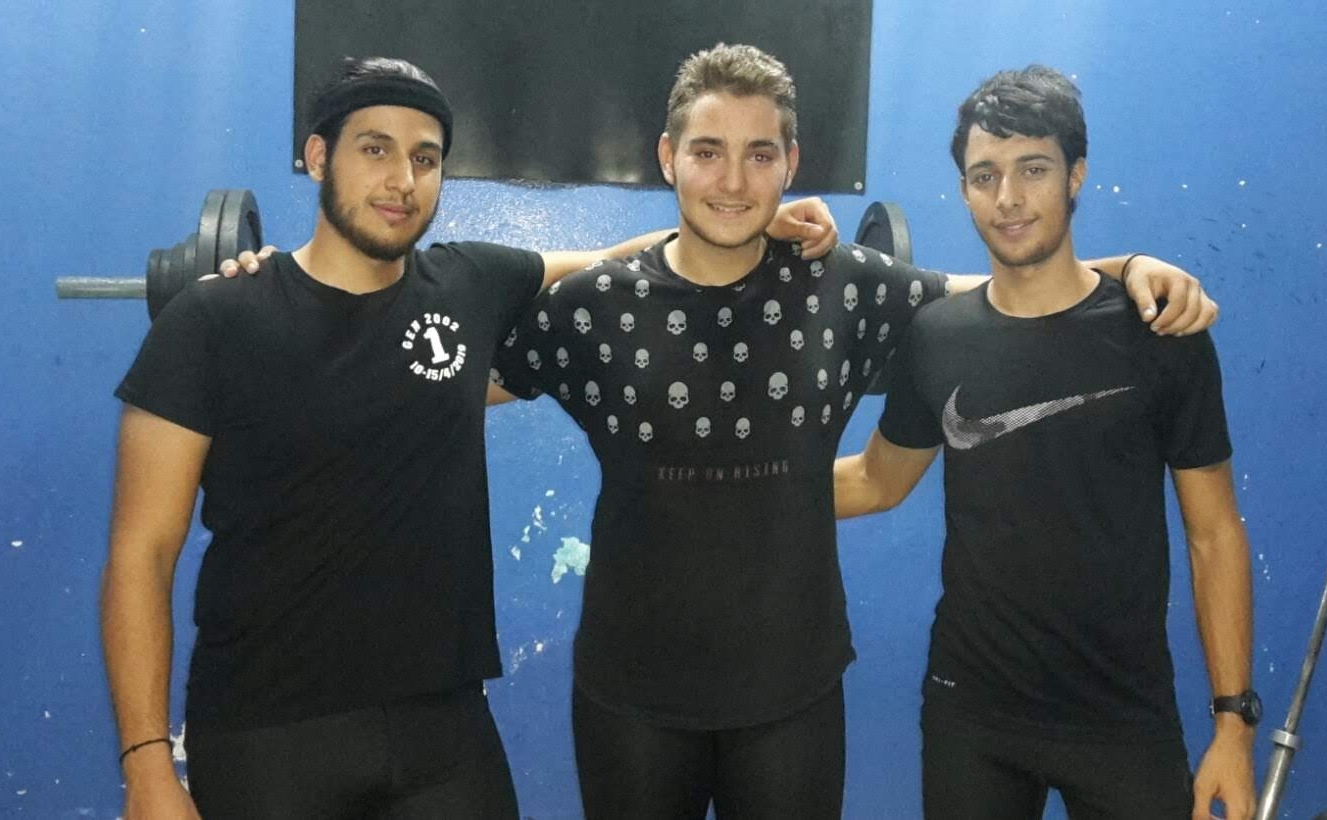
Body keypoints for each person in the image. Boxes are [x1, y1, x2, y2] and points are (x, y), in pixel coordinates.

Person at [490, 44, 1219, 819]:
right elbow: (450, 386)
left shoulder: (841, 284)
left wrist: (1129, 268)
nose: (733, 181)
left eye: (758, 154)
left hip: (794, 697)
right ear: (668, 158)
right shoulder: (595, 303)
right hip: (630, 699)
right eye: (707, 152)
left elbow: (1014, 291)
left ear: (791, 163)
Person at [98, 55, 837, 820]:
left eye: (425, 159)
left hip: (443, 732)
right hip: (265, 735)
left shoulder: (467, 286)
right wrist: (147, 764)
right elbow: (140, 554)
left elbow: (624, 267)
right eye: (374, 149)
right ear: (319, 157)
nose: (401, 180)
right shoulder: (214, 322)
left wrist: (750, 222)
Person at [834, 65, 1256, 820]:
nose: (1008, 197)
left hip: (1124, 720)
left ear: (1075, 175)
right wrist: (734, 488)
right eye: (984, 175)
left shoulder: (1160, 332)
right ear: (964, 189)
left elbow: (1215, 533)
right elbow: (876, 480)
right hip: (972, 715)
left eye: (1032, 169)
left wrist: (1233, 725)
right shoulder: (935, 337)